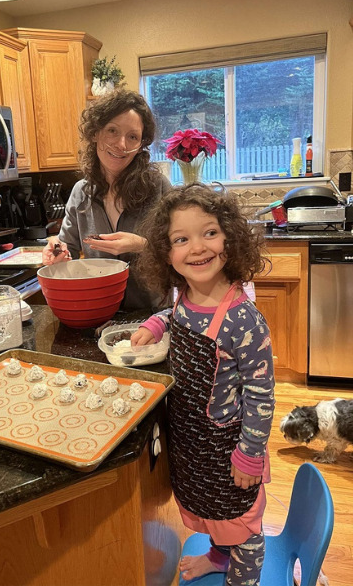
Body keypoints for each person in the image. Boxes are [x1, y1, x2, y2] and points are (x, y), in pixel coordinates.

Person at [130, 185, 274, 585]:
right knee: (213, 515)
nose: (197, 247)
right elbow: (178, 316)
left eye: (209, 232)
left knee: (242, 527)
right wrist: (158, 321)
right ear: (167, 255)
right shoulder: (184, 296)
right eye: (181, 239)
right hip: (195, 443)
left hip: (231, 448)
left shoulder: (243, 319)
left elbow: (262, 394)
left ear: (231, 236)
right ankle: (217, 556)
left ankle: (241, 578)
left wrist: (250, 453)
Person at [41, 89, 173, 310]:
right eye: (112, 130)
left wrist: (142, 245)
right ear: (95, 133)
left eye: (132, 136)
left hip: (153, 317)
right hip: (98, 313)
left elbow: (180, 251)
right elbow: (68, 249)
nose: (121, 144)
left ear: (141, 144)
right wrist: (57, 250)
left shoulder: (158, 188)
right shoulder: (80, 193)